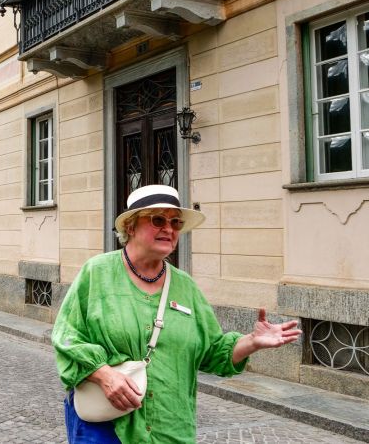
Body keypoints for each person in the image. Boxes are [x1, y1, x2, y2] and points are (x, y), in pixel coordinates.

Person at [52, 185, 301, 443]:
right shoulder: (97, 272)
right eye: (158, 220)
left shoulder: (185, 286)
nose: (169, 229)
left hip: (169, 428)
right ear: (130, 226)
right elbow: (66, 337)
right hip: (106, 427)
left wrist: (252, 342)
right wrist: (104, 375)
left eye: (176, 222)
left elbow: (213, 352)